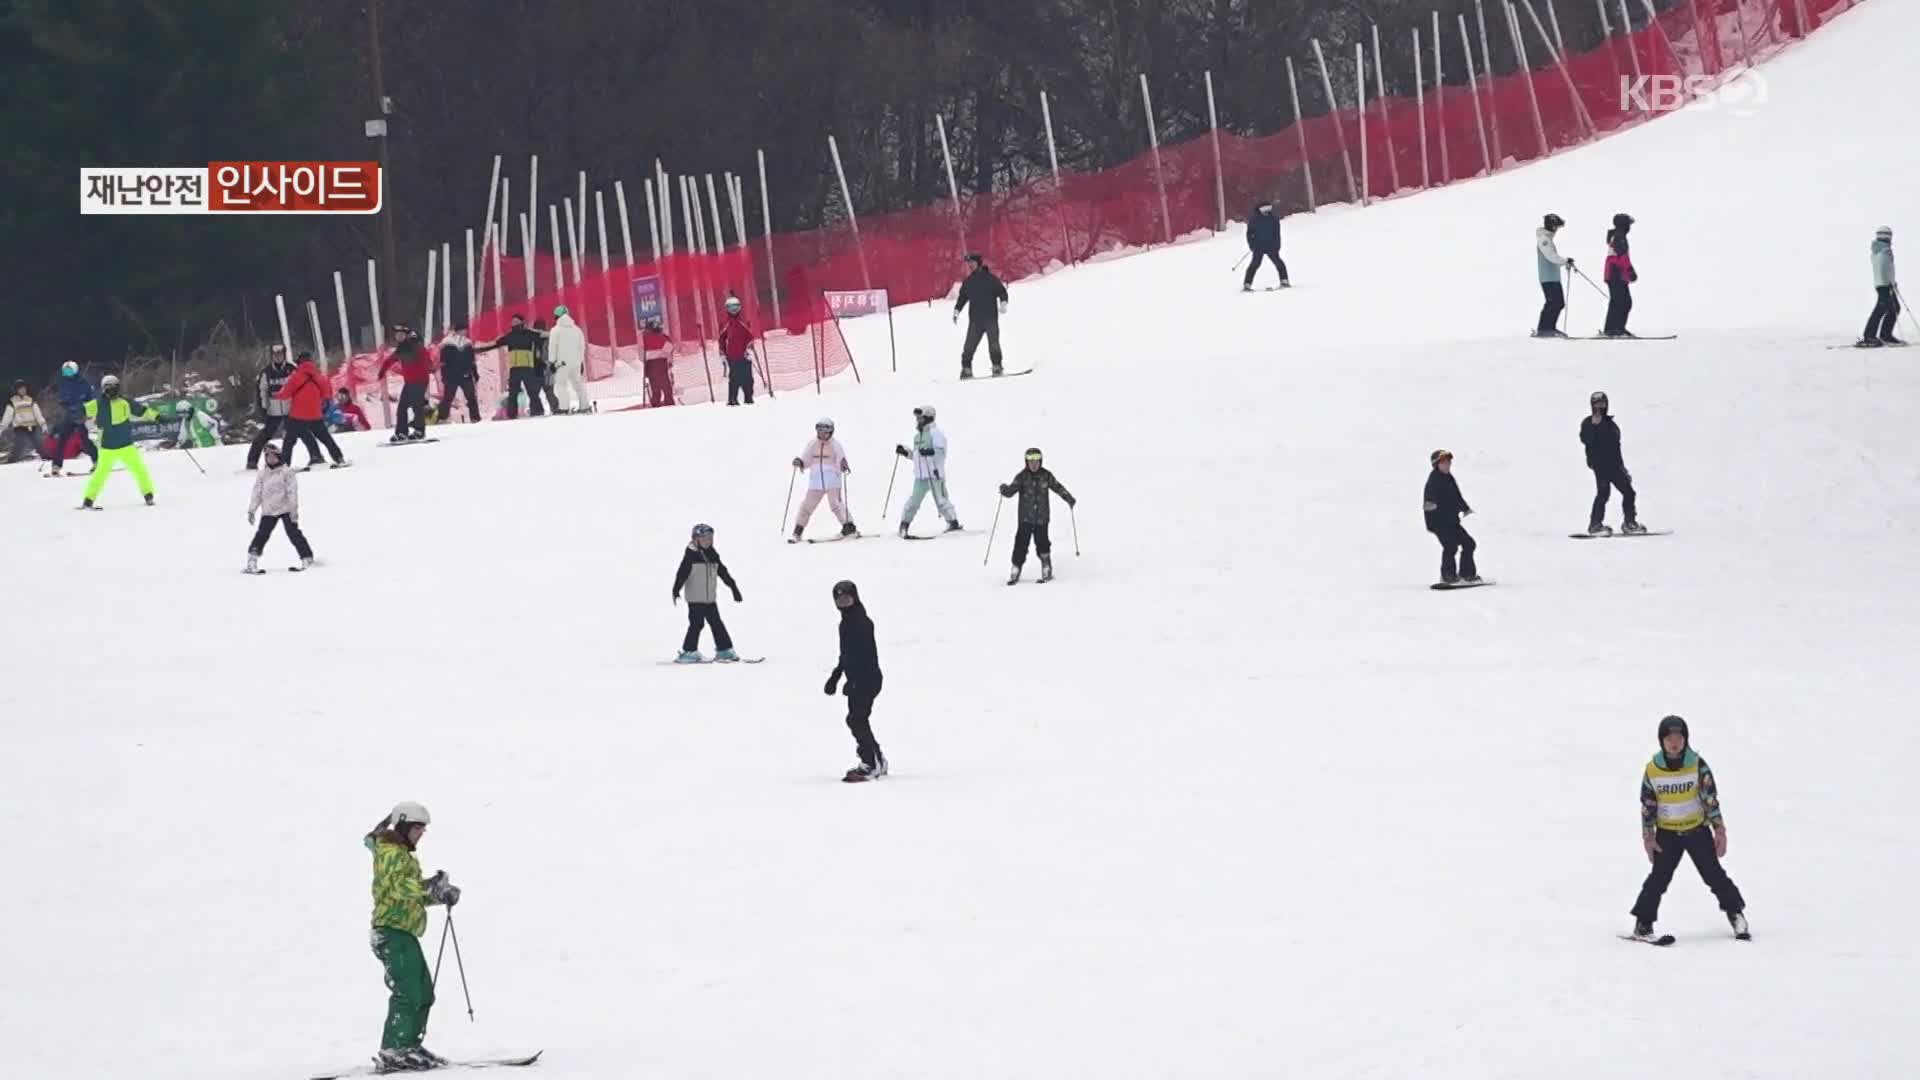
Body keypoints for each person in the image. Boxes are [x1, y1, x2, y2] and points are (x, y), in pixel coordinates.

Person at [1631, 716, 1749, 943]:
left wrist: (1719, 830)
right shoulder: (1653, 770)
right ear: (1661, 741)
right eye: (1669, 738)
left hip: (1696, 831)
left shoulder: (1697, 764)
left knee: (1713, 874)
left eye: (1679, 737)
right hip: (1667, 835)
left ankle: (1736, 914)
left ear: (1686, 739)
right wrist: (1648, 836)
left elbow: (1710, 799)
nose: (1674, 743)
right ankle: (1643, 924)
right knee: (1658, 879)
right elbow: (1648, 806)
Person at [363, 801, 460, 1073]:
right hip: (391, 933)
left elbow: (408, 896)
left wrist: (438, 895)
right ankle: (395, 1049)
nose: (421, 834)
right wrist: (430, 885)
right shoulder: (390, 852)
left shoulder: (402, 855)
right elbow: (397, 887)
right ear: (404, 825)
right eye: (418, 828)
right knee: (407, 991)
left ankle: (410, 1046)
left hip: (403, 932)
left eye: (423, 829)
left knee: (423, 992)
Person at [824, 580, 887, 781]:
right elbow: (846, 655)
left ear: (855, 598)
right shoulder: (847, 623)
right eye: (839, 601)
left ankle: (871, 762)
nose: (843, 604)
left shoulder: (861, 623)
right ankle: (876, 759)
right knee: (858, 719)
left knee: (856, 720)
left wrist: (854, 682)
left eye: (847, 599)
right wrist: (835, 676)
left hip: (867, 679)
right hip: (858, 680)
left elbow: (864, 656)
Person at [80, 374, 160, 509]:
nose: (112, 390)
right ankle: (89, 499)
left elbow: (142, 411)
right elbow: (81, 410)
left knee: (139, 469)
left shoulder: (125, 402)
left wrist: (157, 416)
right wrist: (74, 412)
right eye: (108, 387)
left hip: (126, 445)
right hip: (107, 447)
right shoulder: (97, 403)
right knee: (100, 474)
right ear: (103, 389)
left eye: (114, 387)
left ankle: (148, 494)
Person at [997, 448, 1076, 584]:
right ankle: (1016, 568)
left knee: (1042, 542)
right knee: (1021, 544)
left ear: (1040, 461)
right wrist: (1004, 489)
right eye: (1031, 461)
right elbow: (1011, 491)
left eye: (1037, 461)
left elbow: (1057, 487)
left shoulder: (1046, 475)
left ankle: (1046, 566)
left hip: (1042, 518)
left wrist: (1068, 498)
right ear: (1026, 462)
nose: (1034, 464)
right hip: (1025, 519)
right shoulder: (1022, 477)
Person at [671, 523, 743, 663]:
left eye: (710, 539)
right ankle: (689, 652)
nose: (708, 542)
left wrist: (733, 587)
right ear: (696, 540)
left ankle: (725, 650)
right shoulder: (691, 556)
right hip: (696, 598)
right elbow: (682, 574)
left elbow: (722, 572)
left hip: (710, 599)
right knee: (697, 624)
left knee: (717, 623)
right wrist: (676, 589)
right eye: (704, 539)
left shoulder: (712, 555)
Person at [244, 443, 315, 572]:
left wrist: (293, 512)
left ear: (279, 457)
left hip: (285, 509)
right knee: (262, 535)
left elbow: (292, 493)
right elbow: (257, 492)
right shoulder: (262, 474)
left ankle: (307, 557)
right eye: (267, 456)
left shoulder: (287, 472)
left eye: (273, 456)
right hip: (269, 510)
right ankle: (252, 560)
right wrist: (252, 510)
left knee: (293, 533)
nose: (270, 459)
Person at [1580, 391, 1643, 535]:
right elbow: (1586, 440)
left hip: (1614, 465)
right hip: (1600, 466)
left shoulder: (1610, 424)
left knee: (1629, 492)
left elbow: (1616, 448)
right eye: (1596, 404)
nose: (1599, 406)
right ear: (1592, 405)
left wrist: (1623, 468)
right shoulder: (1588, 422)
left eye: (1602, 403)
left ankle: (1629, 523)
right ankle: (1595, 525)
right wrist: (1594, 426)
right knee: (1603, 493)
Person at [895, 405, 961, 537]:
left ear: (928, 418)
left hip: (934, 474)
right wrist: (905, 452)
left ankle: (953, 522)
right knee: (913, 501)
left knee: (941, 501)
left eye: (920, 418)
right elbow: (917, 456)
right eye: (917, 418)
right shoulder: (917, 437)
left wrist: (931, 452)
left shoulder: (936, 433)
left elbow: (941, 452)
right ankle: (904, 525)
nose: (918, 420)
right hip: (921, 476)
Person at [276, 350, 349, 469]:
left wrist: (275, 395)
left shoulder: (295, 377)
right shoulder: (320, 377)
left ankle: (284, 465)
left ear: (299, 362)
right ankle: (339, 458)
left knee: (289, 441)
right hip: (315, 414)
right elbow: (327, 395)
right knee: (325, 438)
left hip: (297, 415)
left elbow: (284, 394)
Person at [791, 418, 857, 541]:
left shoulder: (835, 445)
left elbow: (841, 459)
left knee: (836, 505)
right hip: (815, 481)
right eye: (819, 431)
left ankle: (850, 527)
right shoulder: (812, 444)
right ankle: (797, 532)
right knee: (807, 506)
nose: (821, 434)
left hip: (832, 480)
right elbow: (806, 460)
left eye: (824, 431)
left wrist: (843, 464)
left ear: (831, 432)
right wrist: (800, 462)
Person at [1422, 449, 1477, 584]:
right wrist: (1431, 508)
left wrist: (1465, 508)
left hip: (1451, 522)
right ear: (1436, 464)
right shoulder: (1433, 481)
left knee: (1469, 543)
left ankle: (1467, 575)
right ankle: (1447, 576)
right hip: (1438, 524)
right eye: (1444, 463)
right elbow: (1428, 502)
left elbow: (1456, 496)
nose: (1448, 465)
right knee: (1451, 546)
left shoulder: (1449, 478)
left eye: (1449, 462)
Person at [476, 314, 545, 418]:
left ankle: (538, 411)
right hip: (514, 368)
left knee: (532, 391)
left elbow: (544, 335)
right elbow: (495, 344)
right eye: (513, 321)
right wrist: (479, 349)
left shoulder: (530, 333)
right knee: (513, 393)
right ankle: (512, 414)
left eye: (516, 321)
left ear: (522, 322)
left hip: (527, 367)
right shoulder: (509, 336)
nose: (514, 323)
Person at [952, 253, 1009, 378]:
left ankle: (997, 367)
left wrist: (1003, 303)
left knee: (994, 345)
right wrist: (957, 310)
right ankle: (966, 370)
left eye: (972, 262)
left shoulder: (990, 279)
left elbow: (1002, 291)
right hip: (975, 321)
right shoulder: (969, 282)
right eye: (969, 263)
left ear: (978, 263)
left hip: (990, 318)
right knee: (968, 347)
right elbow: (962, 298)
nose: (970, 265)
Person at [378, 326, 434, 440]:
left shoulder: (412, 345)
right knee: (402, 407)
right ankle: (402, 432)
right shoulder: (403, 347)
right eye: (396, 334)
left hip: (419, 381)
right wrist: (382, 370)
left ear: (406, 335)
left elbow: (417, 355)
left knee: (416, 406)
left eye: (401, 334)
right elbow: (392, 359)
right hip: (410, 382)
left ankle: (419, 431)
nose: (398, 336)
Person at [246, 343, 296, 469]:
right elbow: (262, 391)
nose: (278, 357)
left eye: (280, 354)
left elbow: (298, 388)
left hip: (290, 410)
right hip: (273, 411)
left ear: (284, 355)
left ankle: (286, 462)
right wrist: (263, 409)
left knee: (293, 436)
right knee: (263, 436)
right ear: (272, 356)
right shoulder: (266, 372)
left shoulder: (292, 369)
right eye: (275, 355)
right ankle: (252, 461)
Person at [49, 361, 99, 476]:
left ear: (75, 371)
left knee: (85, 440)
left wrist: (88, 412)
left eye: (70, 371)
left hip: (81, 415)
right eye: (66, 372)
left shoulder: (83, 383)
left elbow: (90, 398)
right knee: (62, 439)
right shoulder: (63, 383)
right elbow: (61, 399)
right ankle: (56, 465)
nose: (68, 374)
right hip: (69, 416)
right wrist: (65, 404)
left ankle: (97, 461)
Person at [1861, 225, 1902, 347]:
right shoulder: (1884, 251)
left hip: (1884, 284)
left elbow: (1885, 268)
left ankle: (1884, 335)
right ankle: (1870, 336)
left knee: (1892, 308)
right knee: (1883, 308)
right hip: (1885, 285)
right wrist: (1890, 283)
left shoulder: (1879, 250)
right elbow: (1884, 268)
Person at [546, 305, 592, 414]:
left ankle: (564, 408)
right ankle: (584, 406)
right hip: (575, 363)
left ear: (556, 316)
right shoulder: (577, 330)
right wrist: (580, 361)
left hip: (561, 363)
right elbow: (582, 347)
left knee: (561, 385)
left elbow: (552, 347)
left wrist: (552, 362)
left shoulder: (555, 330)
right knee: (578, 385)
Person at [1535, 213, 1574, 338]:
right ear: (1552, 226)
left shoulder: (1547, 238)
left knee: (1556, 303)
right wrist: (1565, 260)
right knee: (1554, 302)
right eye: (1556, 226)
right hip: (1548, 278)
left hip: (1552, 277)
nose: (1557, 229)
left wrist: (1564, 262)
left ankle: (1548, 328)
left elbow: (1552, 259)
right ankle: (1544, 329)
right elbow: (1550, 257)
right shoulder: (1544, 240)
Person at [435, 322, 481, 422]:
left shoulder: (468, 343)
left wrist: (475, 373)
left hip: (466, 374)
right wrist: (444, 376)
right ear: (458, 330)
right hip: (452, 376)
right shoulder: (447, 342)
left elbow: (472, 360)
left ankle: (475, 418)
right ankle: (442, 418)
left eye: (466, 330)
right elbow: (443, 362)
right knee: (448, 398)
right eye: (463, 330)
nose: (465, 332)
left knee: (471, 397)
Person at [1602, 213, 1638, 338]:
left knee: (1617, 302)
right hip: (1616, 273)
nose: (1630, 227)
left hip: (1613, 273)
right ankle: (1616, 329)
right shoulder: (1619, 237)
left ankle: (1613, 329)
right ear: (1624, 225)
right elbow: (1622, 258)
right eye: (1629, 224)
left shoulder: (1617, 236)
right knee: (1624, 302)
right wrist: (1631, 272)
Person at [1242, 203, 1290, 291]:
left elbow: (1277, 234)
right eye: (1265, 210)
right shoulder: (1254, 220)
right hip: (1258, 247)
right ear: (1260, 210)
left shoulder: (1273, 219)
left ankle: (1284, 281)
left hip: (1271, 246)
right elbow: (1249, 234)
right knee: (1255, 264)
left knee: (1279, 263)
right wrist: (1252, 245)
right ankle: (1247, 284)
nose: (1267, 212)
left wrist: (1277, 245)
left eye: (1268, 210)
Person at [718, 297, 756, 406]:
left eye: (735, 307)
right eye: (731, 308)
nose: (733, 310)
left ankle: (748, 397)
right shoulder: (727, 323)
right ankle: (732, 399)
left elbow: (750, 337)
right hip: (732, 356)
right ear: (727, 309)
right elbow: (721, 338)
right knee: (734, 378)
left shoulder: (743, 321)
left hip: (744, 355)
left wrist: (749, 349)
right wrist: (723, 353)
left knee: (748, 378)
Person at [4, 380, 48, 463]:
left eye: (24, 388)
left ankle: (46, 458)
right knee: (19, 445)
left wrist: (43, 425)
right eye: (21, 389)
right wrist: (2, 427)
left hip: (32, 426)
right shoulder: (12, 401)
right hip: (20, 427)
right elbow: (7, 416)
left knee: (38, 443)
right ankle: (12, 461)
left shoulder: (30, 400)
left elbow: (38, 414)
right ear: (16, 390)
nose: (23, 390)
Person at [641, 317, 675, 407]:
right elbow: (670, 348)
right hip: (661, 363)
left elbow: (641, 354)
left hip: (650, 365)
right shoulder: (663, 337)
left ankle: (655, 402)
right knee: (666, 385)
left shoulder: (644, 338)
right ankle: (669, 401)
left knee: (654, 385)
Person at [531, 317, 560, 414]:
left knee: (547, 391)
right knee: (536, 392)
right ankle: (537, 410)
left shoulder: (549, 338)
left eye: (540, 327)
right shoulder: (533, 339)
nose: (539, 329)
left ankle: (554, 409)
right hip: (537, 369)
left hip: (545, 369)